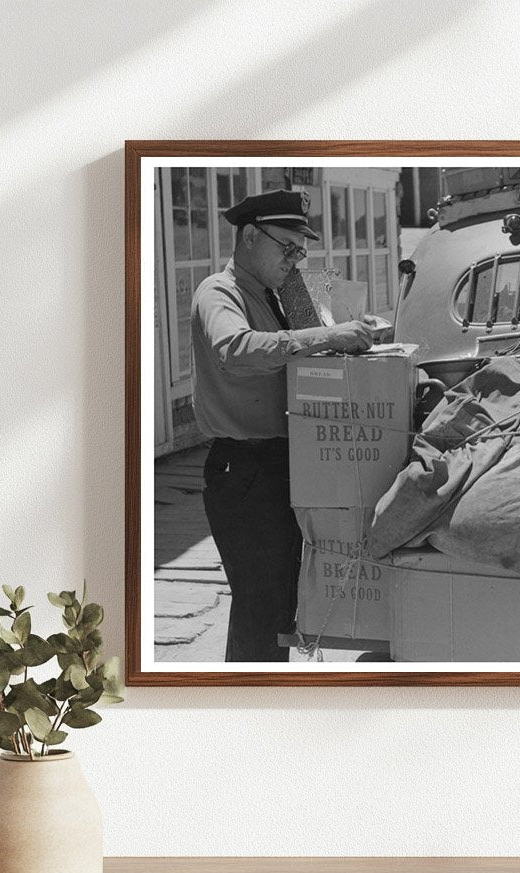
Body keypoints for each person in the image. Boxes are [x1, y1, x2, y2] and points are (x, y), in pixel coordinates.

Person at [191, 188, 380, 662]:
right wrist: (324, 334)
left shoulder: (275, 294)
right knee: (260, 608)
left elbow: (307, 351)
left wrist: (335, 324)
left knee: (280, 605)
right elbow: (234, 349)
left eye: (300, 251)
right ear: (250, 237)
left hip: (282, 462)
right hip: (245, 469)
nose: (294, 259)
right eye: (287, 248)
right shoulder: (220, 291)